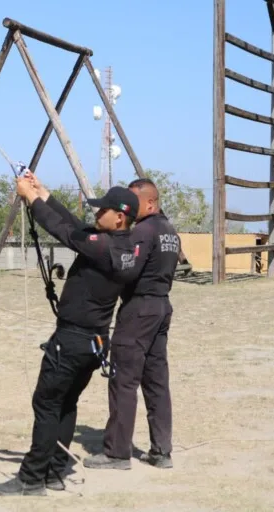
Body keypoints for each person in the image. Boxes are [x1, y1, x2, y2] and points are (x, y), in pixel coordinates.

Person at [0, 171, 140, 496]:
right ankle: (55, 471)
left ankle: (31, 478)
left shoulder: (103, 248)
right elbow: (76, 226)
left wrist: (30, 199)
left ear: (119, 218)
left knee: (46, 403)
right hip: (94, 341)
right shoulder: (123, 246)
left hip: (73, 340)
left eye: (103, 210)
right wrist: (43, 193)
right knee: (66, 403)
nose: (96, 213)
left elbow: (63, 231)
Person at [83, 178, 180, 471]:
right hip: (162, 306)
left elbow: (128, 269)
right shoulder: (170, 232)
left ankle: (117, 453)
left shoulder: (144, 231)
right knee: (157, 382)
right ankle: (161, 451)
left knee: (123, 380)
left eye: (135, 202)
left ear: (150, 203)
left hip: (139, 310)